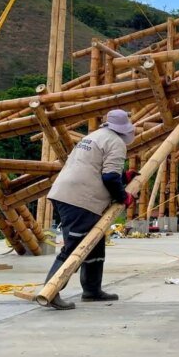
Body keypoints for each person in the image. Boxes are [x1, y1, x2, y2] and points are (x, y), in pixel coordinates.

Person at [42, 109, 138, 310]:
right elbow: (109, 177)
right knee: (75, 248)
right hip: (81, 199)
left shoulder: (94, 136)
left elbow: (98, 169)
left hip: (65, 192)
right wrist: (124, 197)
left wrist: (124, 179)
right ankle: (51, 292)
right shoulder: (116, 143)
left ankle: (92, 290)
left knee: (95, 244)